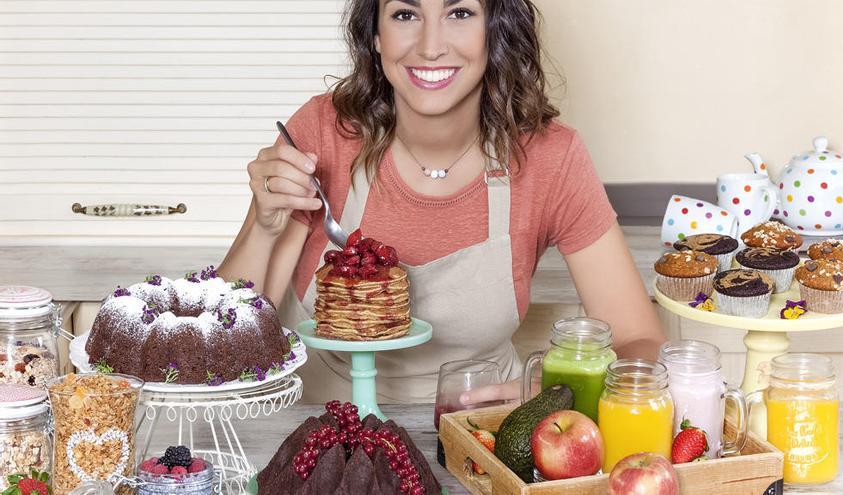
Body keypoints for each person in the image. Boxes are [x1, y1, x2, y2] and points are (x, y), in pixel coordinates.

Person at [218, 0, 666, 405]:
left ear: (495, 30)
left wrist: (556, 388)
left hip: (480, 426)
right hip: (318, 422)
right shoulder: (323, 132)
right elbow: (223, 350)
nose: (431, 47)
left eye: (460, 13)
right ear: (375, 35)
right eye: (406, 14)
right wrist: (264, 224)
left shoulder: (551, 155)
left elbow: (637, 338)